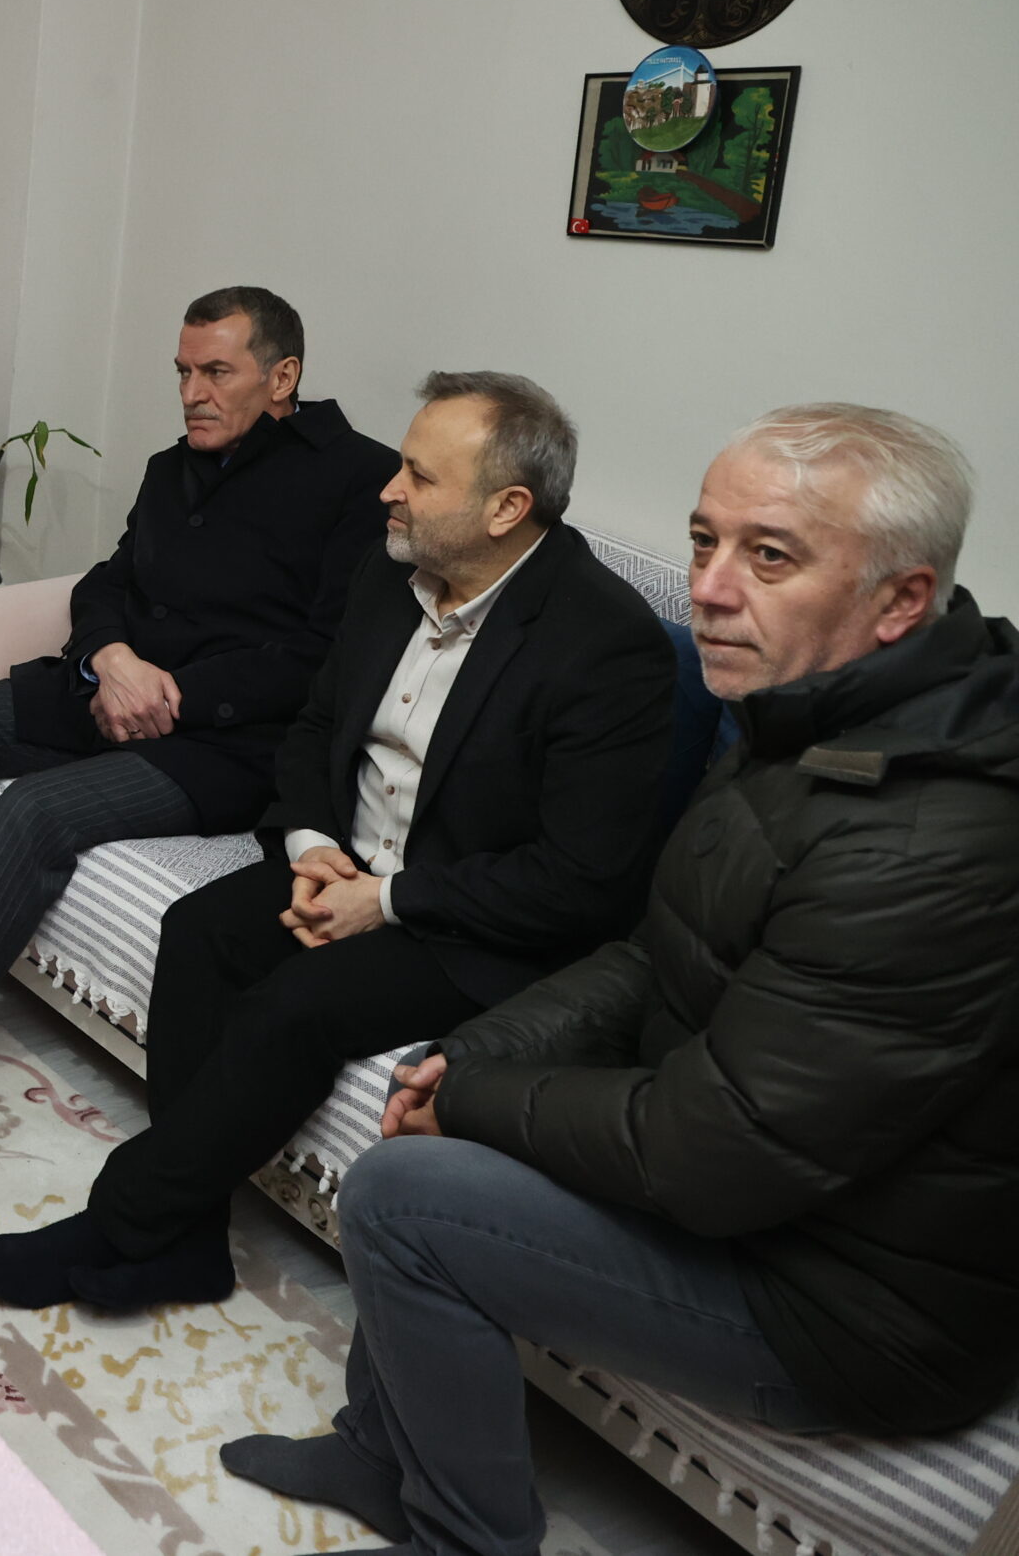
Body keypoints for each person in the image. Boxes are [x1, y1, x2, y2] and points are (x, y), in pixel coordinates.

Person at [226, 405, 1019, 1556]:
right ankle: (375, 1451)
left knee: (403, 1196)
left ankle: (465, 1534)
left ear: (900, 600)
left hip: (849, 1304)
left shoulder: (923, 841)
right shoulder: (814, 718)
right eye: (703, 541)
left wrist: (478, 1100)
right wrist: (474, 1059)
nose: (708, 589)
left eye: (770, 556)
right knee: (440, 1081)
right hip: (774, 1193)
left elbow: (715, 1153)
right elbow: (656, 950)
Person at [0, 372, 679, 1312]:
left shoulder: (604, 643)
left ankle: (122, 1217)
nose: (390, 489)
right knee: (200, 933)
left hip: (476, 920)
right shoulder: (389, 575)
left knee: (293, 1006)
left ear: (507, 508)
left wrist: (385, 900)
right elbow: (315, 725)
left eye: (420, 476)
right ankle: (189, 1241)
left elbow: (581, 878)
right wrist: (308, 844)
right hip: (347, 862)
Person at [0, 287, 399, 1148]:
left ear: (283, 377)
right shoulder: (171, 467)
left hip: (232, 742)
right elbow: (108, 583)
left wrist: (170, 693)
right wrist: (111, 659)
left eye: (216, 372)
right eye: (182, 372)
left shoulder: (359, 480)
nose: (192, 393)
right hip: (117, 690)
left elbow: (322, 655)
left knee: (32, 811)